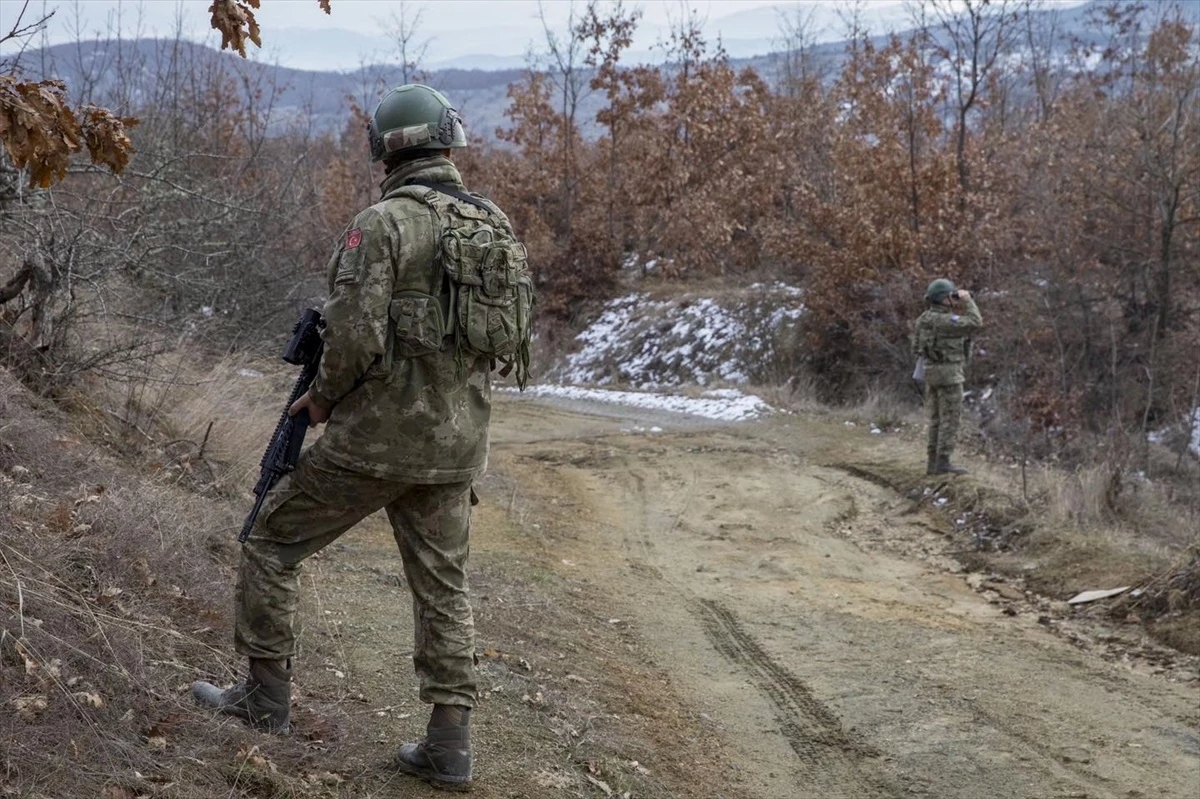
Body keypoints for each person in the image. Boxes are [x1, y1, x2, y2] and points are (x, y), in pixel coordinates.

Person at [193, 83, 532, 792]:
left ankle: (264, 701)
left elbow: (352, 338)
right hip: (457, 446)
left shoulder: (381, 224)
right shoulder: (491, 222)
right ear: (449, 140)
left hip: (373, 444)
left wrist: (319, 400)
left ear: (385, 148)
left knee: (271, 541)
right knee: (443, 586)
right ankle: (449, 745)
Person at [913, 278, 982, 475]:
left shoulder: (923, 319)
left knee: (935, 418)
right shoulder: (946, 321)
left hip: (931, 372)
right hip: (950, 374)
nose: (954, 299)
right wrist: (967, 301)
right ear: (944, 299)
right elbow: (975, 322)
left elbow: (915, 347)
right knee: (950, 418)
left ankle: (932, 462)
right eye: (951, 296)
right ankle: (943, 462)